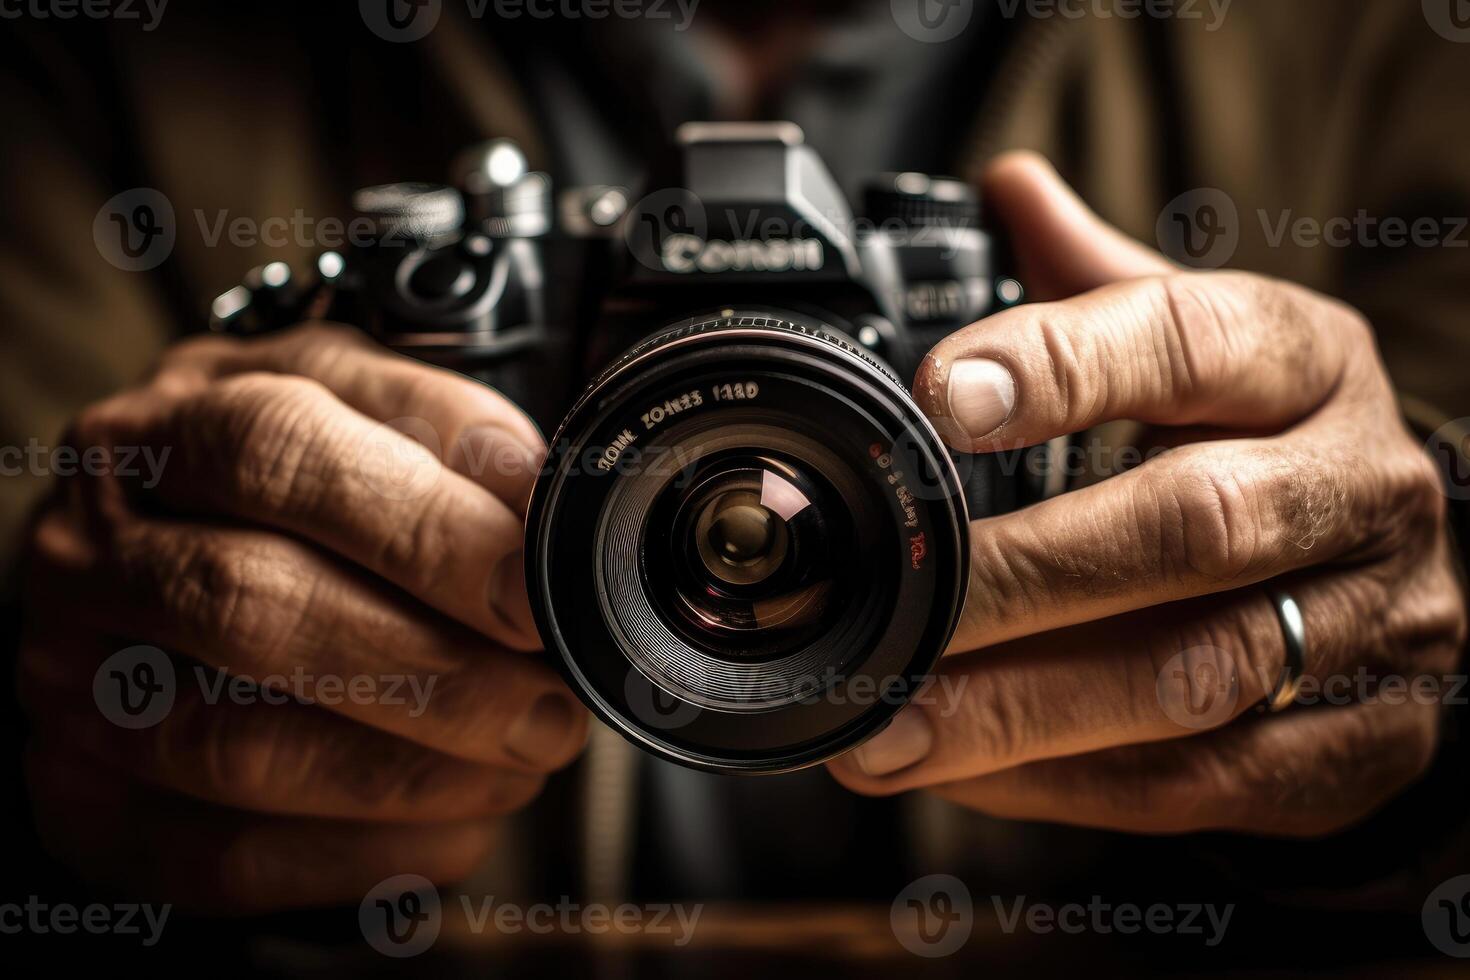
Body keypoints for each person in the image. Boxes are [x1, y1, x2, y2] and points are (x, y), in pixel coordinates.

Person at [3, 0, 1467, 931]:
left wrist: (1406, 675)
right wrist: (59, 678)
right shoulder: (86, 56)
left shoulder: (1377, 39)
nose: (740, 528)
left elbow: (1422, 618)